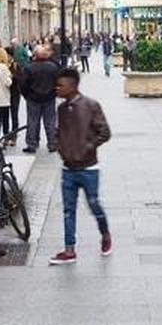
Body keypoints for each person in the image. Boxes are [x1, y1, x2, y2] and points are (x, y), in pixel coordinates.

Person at [48, 67, 113, 265]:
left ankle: (105, 234)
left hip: (88, 169)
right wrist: (60, 147)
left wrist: (88, 147)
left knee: (93, 204)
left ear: (73, 86)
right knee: (68, 209)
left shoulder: (91, 105)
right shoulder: (61, 109)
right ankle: (69, 250)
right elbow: (59, 131)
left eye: (61, 85)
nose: (56, 89)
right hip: (68, 169)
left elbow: (105, 132)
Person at [21, 46, 60, 153]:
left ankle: (32, 144)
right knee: (50, 121)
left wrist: (27, 95)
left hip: (33, 98)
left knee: (32, 121)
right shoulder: (53, 67)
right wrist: (54, 92)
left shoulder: (29, 68)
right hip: (49, 98)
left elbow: (24, 84)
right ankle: (52, 144)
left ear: (35, 55)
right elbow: (58, 82)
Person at [5, 46, 23, 143]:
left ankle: (14, 136)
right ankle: (6, 136)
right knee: (5, 116)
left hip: (15, 93)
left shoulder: (16, 65)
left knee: (14, 115)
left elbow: (20, 79)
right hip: (5, 94)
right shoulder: (3, 65)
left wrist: (13, 76)